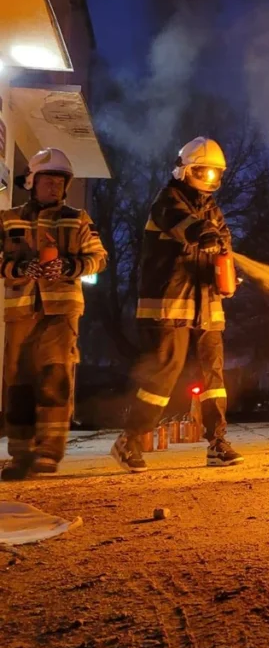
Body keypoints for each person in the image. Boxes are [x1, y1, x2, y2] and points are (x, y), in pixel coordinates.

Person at [111, 137, 243, 472]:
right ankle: (130, 440)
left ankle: (217, 443)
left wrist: (227, 276)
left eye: (215, 174)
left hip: (207, 306)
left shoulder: (212, 208)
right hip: (169, 305)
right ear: (184, 169)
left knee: (214, 376)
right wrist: (205, 234)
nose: (209, 180)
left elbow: (222, 242)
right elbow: (183, 225)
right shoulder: (167, 199)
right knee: (163, 375)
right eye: (203, 171)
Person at [0, 148, 107, 480]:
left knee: (55, 380)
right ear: (32, 181)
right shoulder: (9, 219)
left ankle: (48, 452)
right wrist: (18, 268)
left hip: (60, 314)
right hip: (20, 313)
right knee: (17, 383)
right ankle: (20, 455)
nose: (54, 188)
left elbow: (98, 258)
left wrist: (70, 265)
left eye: (60, 182)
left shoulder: (78, 219)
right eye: (48, 180)